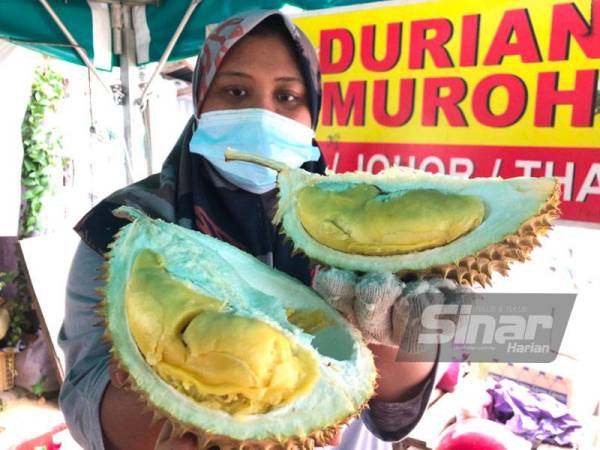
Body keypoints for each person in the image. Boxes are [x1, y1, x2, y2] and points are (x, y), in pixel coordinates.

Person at [59, 10, 440, 450]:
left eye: (288, 97)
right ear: (200, 103)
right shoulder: (121, 227)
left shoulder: (363, 228)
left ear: (312, 111)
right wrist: (161, 405)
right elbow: (84, 396)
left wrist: (398, 332)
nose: (262, 112)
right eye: (235, 91)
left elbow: (393, 412)